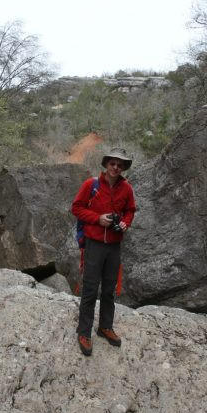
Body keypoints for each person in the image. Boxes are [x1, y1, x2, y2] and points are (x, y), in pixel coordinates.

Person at [71, 148, 136, 356]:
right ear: (106, 165)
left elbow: (130, 210)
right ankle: (84, 332)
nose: (116, 167)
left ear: (123, 167)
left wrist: (125, 223)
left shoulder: (126, 188)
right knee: (90, 288)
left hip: (114, 245)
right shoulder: (91, 185)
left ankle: (105, 327)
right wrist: (97, 219)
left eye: (120, 164)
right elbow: (77, 208)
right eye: (112, 164)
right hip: (94, 243)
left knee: (109, 288)